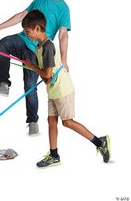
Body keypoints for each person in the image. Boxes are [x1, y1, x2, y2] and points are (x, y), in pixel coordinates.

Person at [0, 0, 70, 135]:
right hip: (20, 40)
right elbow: (21, 15)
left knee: (30, 86)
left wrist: (65, 60)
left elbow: (63, 35)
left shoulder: (63, 9)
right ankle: (3, 84)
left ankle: (33, 122)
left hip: (35, 51)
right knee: (3, 44)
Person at [22, 9, 111, 168]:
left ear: (37, 28)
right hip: (53, 90)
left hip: (62, 90)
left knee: (67, 122)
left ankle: (100, 142)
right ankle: (54, 155)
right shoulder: (39, 48)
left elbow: (47, 74)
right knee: (51, 121)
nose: (26, 34)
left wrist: (31, 66)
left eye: (27, 31)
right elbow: (46, 77)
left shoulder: (48, 46)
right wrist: (37, 70)